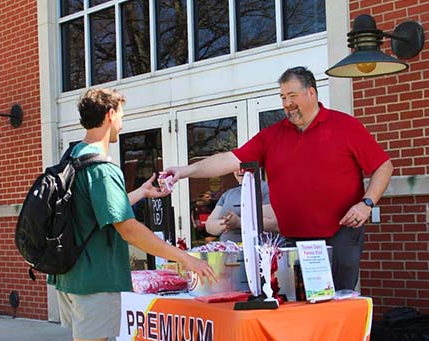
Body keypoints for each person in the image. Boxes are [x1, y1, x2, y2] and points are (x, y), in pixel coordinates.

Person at [51, 88, 216, 341]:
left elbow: (105, 213)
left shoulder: (75, 156)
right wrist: (184, 257)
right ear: (111, 115)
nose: (123, 123)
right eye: (122, 115)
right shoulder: (101, 164)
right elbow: (128, 229)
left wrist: (141, 192)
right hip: (95, 280)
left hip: (72, 276)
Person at [165, 66, 393, 291]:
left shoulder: (345, 126)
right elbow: (229, 159)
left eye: (292, 96)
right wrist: (185, 171)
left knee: (340, 301)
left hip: (340, 234)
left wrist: (367, 203)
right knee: (298, 306)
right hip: (292, 241)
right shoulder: (272, 136)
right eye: (283, 97)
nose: (286, 103)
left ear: (311, 93)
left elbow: (383, 166)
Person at [205, 170, 279, 242]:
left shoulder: (266, 189)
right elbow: (209, 225)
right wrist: (227, 224)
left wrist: (239, 222)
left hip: (257, 250)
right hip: (228, 251)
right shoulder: (228, 194)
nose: (240, 171)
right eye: (236, 168)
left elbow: (274, 224)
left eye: (245, 167)